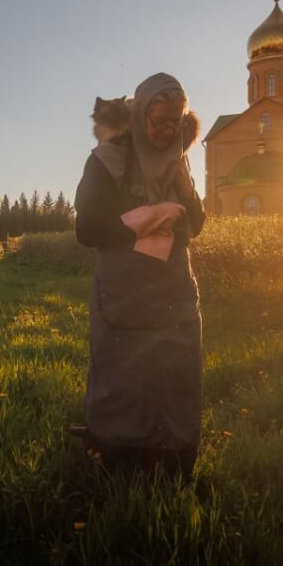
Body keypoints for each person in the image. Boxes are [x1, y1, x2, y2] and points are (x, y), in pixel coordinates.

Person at [74, 72, 205, 479]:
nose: (168, 131)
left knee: (174, 370)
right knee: (122, 374)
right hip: (123, 293)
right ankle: (117, 458)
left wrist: (176, 218)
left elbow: (198, 221)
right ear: (139, 116)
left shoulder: (176, 159)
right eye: (159, 121)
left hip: (172, 291)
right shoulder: (107, 160)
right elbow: (87, 229)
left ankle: (173, 459)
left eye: (175, 122)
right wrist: (141, 222)